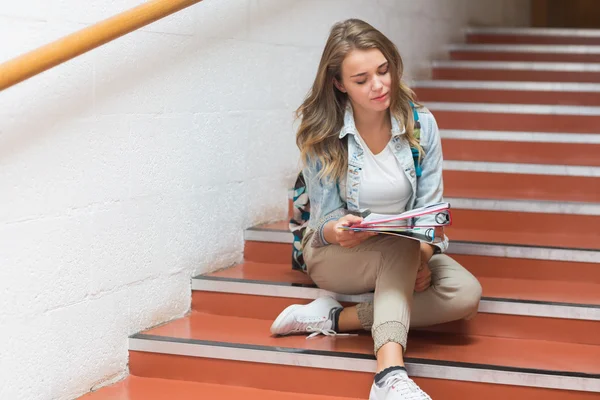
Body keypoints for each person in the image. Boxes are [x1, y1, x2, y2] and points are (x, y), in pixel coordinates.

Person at [269, 19, 483, 400]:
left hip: (403, 248)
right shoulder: (323, 133)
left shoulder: (421, 125)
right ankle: (389, 374)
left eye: (383, 71)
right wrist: (338, 230)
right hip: (337, 253)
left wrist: (423, 255)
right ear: (339, 83)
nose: (379, 85)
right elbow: (320, 222)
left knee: (465, 294)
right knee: (397, 246)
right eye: (362, 79)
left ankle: (335, 318)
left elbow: (431, 212)